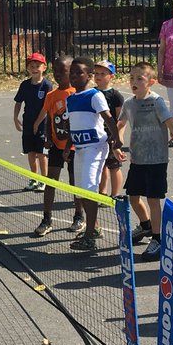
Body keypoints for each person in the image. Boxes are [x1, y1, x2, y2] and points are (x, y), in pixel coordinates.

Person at [121, 62, 173, 260]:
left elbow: (171, 123)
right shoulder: (129, 104)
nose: (134, 82)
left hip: (156, 159)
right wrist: (117, 142)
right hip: (137, 159)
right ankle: (146, 225)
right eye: (131, 78)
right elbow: (121, 123)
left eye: (140, 78)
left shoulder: (157, 102)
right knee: (133, 197)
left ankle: (158, 238)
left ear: (151, 82)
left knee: (153, 199)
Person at [65, 57, 124, 252]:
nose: (74, 76)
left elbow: (108, 118)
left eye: (79, 73)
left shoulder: (94, 95)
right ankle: (95, 227)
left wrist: (116, 139)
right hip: (80, 149)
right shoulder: (71, 99)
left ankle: (89, 235)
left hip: (95, 148)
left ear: (89, 76)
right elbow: (71, 125)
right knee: (81, 191)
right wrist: (68, 146)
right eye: (72, 72)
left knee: (89, 188)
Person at [31, 55, 85, 237]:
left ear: (73, 72)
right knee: (50, 181)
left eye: (64, 70)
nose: (59, 74)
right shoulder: (51, 95)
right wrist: (47, 137)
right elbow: (49, 117)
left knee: (74, 182)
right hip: (55, 145)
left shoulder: (75, 94)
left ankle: (79, 216)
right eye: (56, 70)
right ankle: (46, 219)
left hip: (73, 147)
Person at [13, 52, 52, 191]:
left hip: (42, 124)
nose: (35, 68)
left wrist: (37, 123)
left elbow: (46, 108)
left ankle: (44, 180)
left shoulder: (47, 85)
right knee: (30, 152)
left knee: (42, 153)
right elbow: (18, 102)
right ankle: (33, 178)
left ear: (44, 67)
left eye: (37, 66)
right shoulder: (25, 85)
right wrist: (15, 118)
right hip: (28, 122)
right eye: (32, 66)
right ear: (28, 68)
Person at [93, 60, 126, 198]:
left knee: (114, 165)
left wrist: (118, 136)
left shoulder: (115, 95)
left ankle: (115, 194)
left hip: (111, 135)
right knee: (101, 165)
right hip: (97, 134)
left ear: (111, 76)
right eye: (96, 73)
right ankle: (102, 192)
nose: (98, 76)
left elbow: (121, 119)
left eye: (102, 73)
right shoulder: (92, 93)